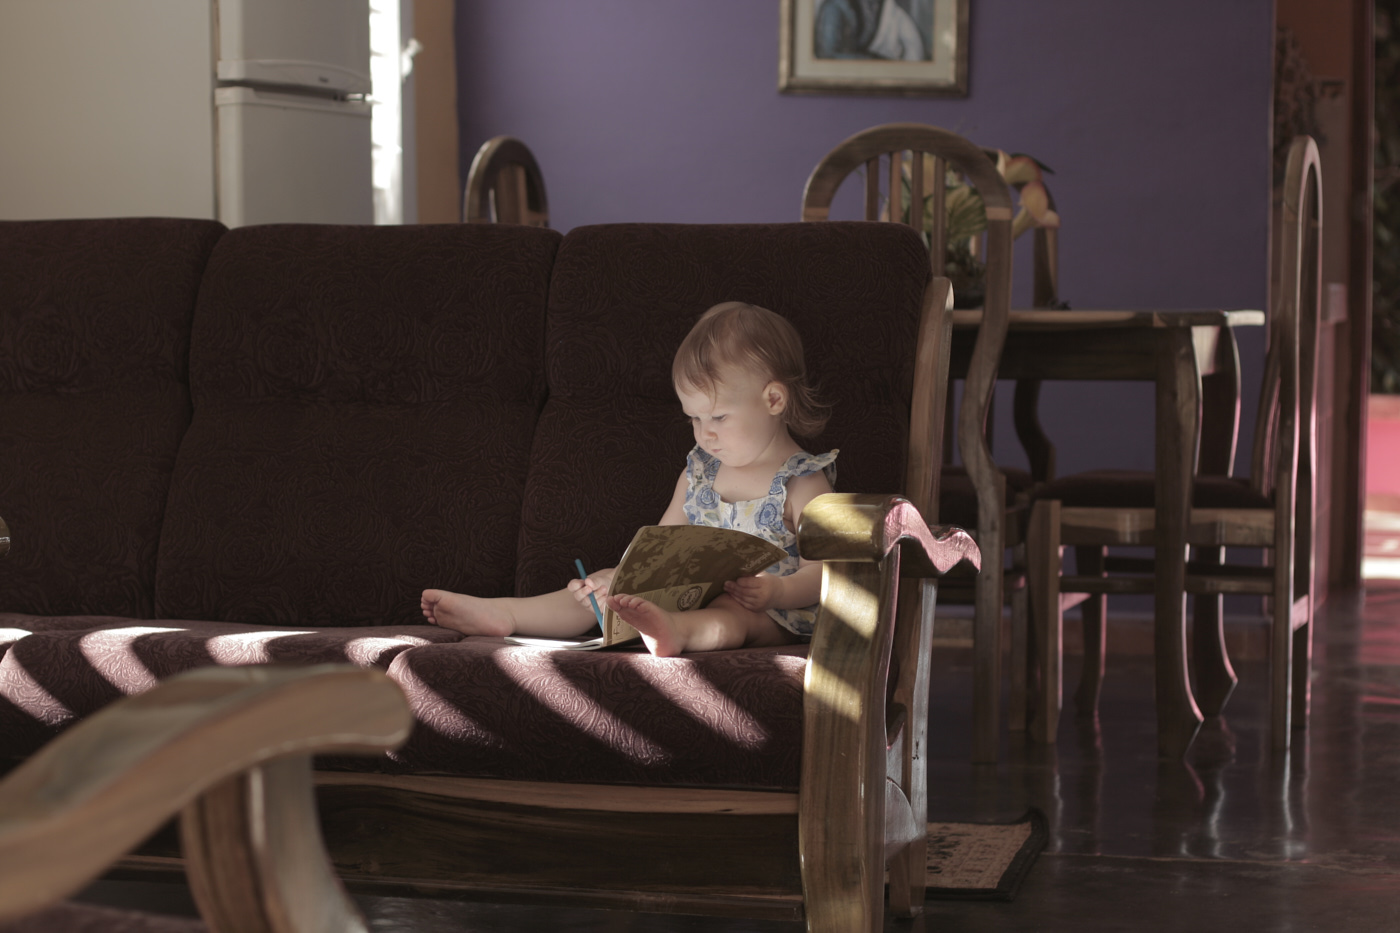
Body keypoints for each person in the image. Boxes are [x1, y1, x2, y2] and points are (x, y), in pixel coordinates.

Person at [420, 301, 837, 657]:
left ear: (774, 400)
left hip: (769, 612)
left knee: (733, 615)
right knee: (601, 590)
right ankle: (509, 614)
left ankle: (675, 633)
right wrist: (621, 576)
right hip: (691, 595)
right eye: (693, 418)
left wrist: (777, 592)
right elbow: (662, 543)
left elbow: (829, 573)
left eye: (718, 417)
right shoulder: (700, 471)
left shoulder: (803, 482)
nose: (703, 433)